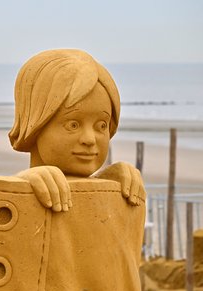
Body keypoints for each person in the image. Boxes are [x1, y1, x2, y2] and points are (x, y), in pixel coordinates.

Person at [9, 49, 145, 210]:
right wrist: (19, 187)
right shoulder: (17, 189)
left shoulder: (117, 184)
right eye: (73, 125)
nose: (89, 139)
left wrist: (109, 184)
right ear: (35, 124)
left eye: (101, 125)